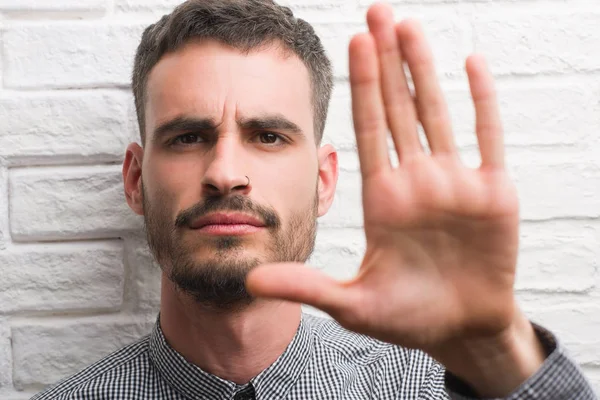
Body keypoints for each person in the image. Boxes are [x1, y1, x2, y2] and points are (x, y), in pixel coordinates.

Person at [31, 0, 595, 399]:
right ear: (135, 180)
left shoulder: (426, 391)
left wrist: (496, 352)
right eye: (188, 137)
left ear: (324, 181)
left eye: (268, 136)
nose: (226, 173)